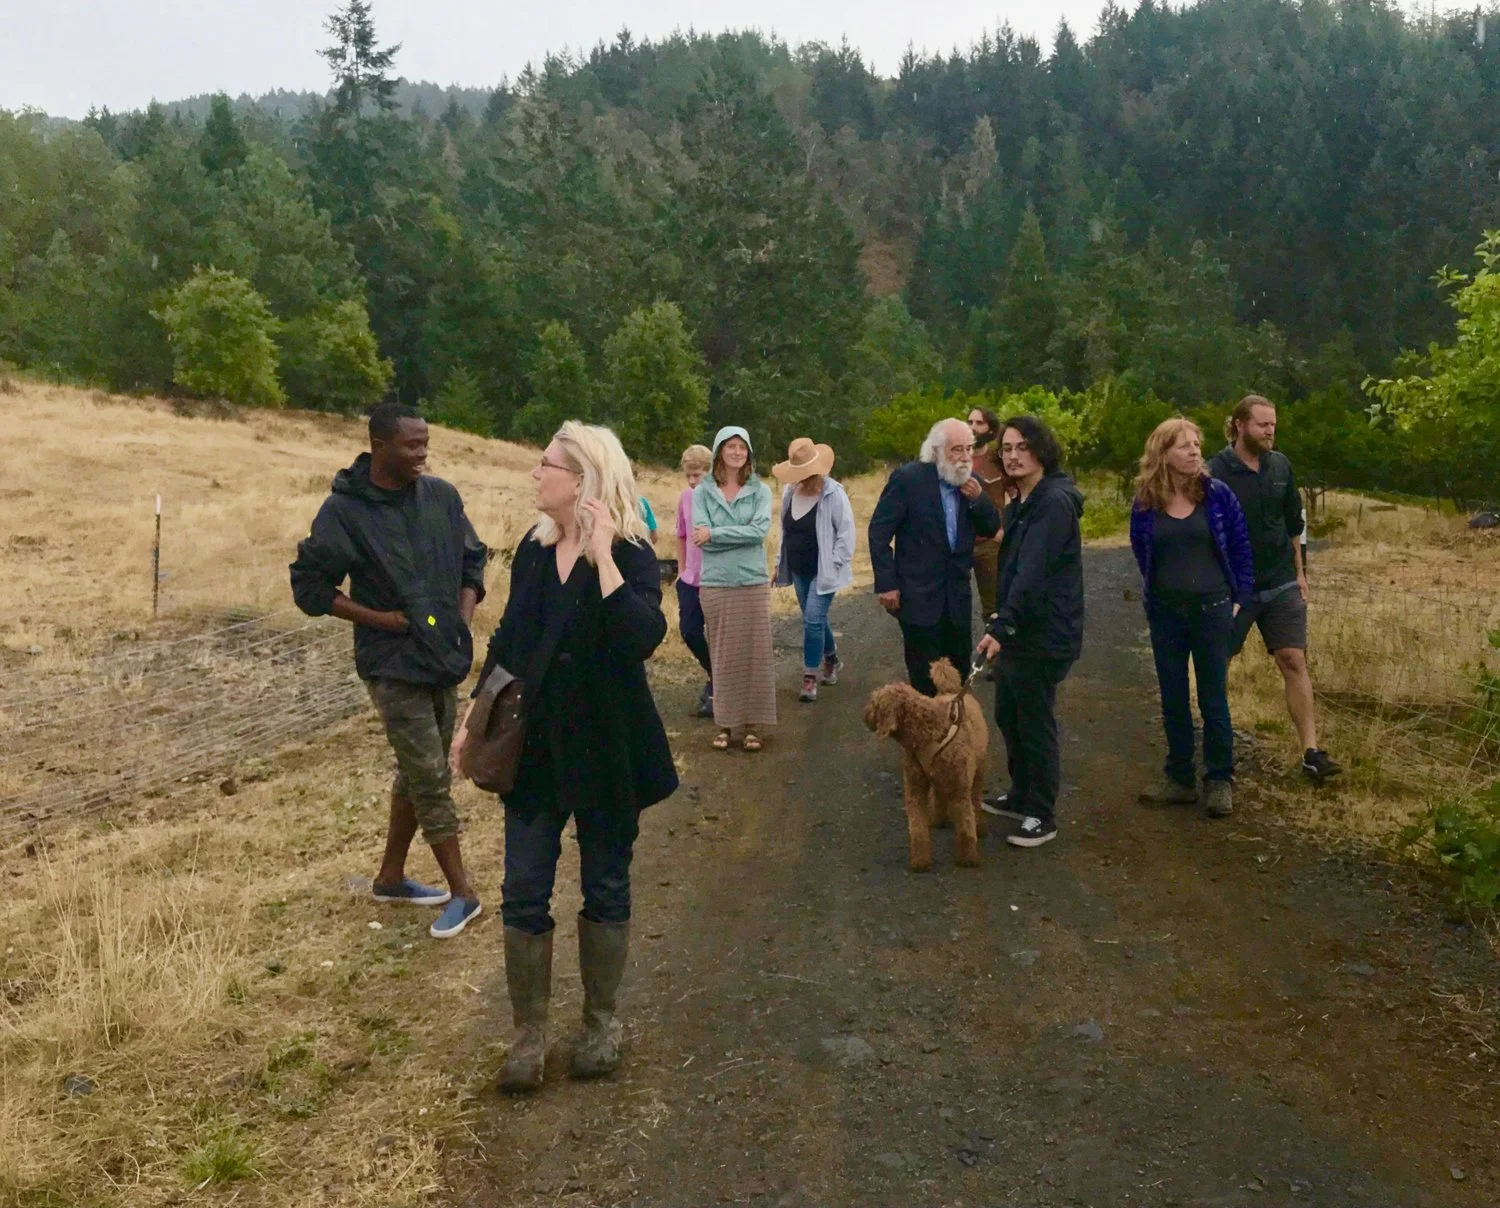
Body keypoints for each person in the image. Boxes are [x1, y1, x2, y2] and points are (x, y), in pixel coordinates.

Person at [451, 421, 677, 1093]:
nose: (534, 474)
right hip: (538, 750)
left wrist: (603, 555)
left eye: (546, 464)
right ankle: (528, 1035)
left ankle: (601, 1024)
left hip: (609, 748)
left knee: (605, 883)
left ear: (582, 479)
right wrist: (472, 719)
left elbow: (642, 637)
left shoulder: (631, 554)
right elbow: (511, 643)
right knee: (524, 886)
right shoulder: (530, 549)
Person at [290, 402, 488, 939]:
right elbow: (310, 588)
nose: (422, 453)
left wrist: (462, 621)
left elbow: (474, 561)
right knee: (430, 775)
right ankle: (463, 892)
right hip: (390, 664)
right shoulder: (344, 512)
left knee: (416, 768)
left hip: (443, 657)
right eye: (411, 445)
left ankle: (391, 876)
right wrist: (380, 620)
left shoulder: (442, 497)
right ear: (379, 446)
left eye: (426, 443)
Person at [1208, 396, 1341, 781]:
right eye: (1262, 425)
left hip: (1281, 581)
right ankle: (1216, 751)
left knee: (1293, 661)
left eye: (1273, 425)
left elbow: (1293, 525)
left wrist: (1300, 574)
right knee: (1219, 666)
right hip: (1235, 589)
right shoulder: (1215, 472)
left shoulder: (1281, 466)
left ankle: (1311, 753)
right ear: (1239, 425)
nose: (1269, 431)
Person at [1130, 418, 1255, 818]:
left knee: (1213, 698)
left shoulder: (1218, 496)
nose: (1195, 451)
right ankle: (1179, 778)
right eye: (1184, 446)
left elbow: (1241, 550)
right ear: (1163, 453)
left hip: (1212, 612)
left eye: (1197, 445)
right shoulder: (1146, 501)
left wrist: (1238, 600)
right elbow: (1142, 552)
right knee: (1173, 699)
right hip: (1166, 614)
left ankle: (1219, 779)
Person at [976, 416, 1084, 848]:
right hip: (1023, 629)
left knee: (1035, 721)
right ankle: (1020, 794)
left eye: (1023, 447)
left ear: (1041, 451)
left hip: (1046, 632)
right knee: (1009, 713)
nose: (1013, 455)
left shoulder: (1053, 502)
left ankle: (1042, 814)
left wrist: (1003, 623)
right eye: (1007, 447)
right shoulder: (1024, 498)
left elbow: (1034, 570)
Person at [868, 418, 1002, 697]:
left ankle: (956, 735)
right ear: (937, 451)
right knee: (924, 678)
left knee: (959, 675)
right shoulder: (909, 479)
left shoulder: (972, 483)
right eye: (956, 450)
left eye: (968, 449)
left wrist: (979, 500)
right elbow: (879, 532)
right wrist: (886, 583)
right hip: (917, 595)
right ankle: (926, 734)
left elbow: (991, 527)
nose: (965, 457)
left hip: (956, 599)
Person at [694, 427, 776, 752]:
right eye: (731, 446)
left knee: (755, 653)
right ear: (719, 451)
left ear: (749, 453)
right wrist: (721, 536)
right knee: (723, 654)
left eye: (742, 447)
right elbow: (699, 537)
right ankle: (725, 723)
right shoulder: (703, 492)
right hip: (715, 583)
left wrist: (715, 535)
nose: (737, 452)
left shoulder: (761, 491)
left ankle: (752, 724)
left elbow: (757, 533)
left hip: (752, 581)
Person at [771, 437, 856, 703]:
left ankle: (810, 677)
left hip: (824, 569)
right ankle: (831, 658)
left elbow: (846, 533)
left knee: (812, 620)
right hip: (798, 568)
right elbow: (784, 533)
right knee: (814, 619)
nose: (802, 478)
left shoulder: (833, 493)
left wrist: (835, 563)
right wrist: (778, 563)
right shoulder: (789, 492)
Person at [674, 444, 715, 718]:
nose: (692, 481)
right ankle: (715, 674)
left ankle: (718, 688)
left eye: (697, 475)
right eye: (688, 475)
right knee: (689, 630)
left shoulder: (719, 498)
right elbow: (681, 535)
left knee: (720, 635)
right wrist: (681, 570)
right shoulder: (685, 498)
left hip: (716, 579)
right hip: (690, 578)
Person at [967, 405, 1011, 621]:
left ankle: (995, 651)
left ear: (991, 430)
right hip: (960, 543)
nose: (973, 427)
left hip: (989, 543)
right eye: (970, 422)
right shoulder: (956, 458)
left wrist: (1003, 529)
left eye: (979, 423)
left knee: (994, 607)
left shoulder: (998, 459)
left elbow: (1017, 495)